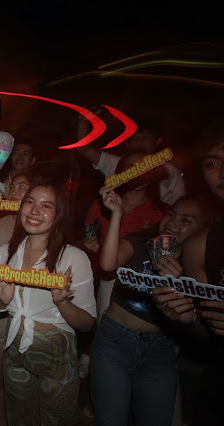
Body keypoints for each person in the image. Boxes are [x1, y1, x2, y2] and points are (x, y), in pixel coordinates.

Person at [90, 187, 215, 425]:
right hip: (114, 341)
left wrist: (179, 285)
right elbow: (107, 264)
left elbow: (201, 321)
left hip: (160, 349)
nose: (173, 222)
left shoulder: (196, 268)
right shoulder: (141, 242)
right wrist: (117, 214)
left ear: (203, 231)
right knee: (110, 419)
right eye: (172, 214)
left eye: (186, 220)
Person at [0, 179, 96, 424]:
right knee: (19, 417)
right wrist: (3, 302)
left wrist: (62, 303)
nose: (35, 211)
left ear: (59, 214)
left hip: (56, 357)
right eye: (30, 202)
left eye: (46, 205)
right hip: (14, 349)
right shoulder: (6, 252)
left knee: (55, 419)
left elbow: (87, 324)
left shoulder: (73, 257)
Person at [151, 119, 224, 425]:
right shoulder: (201, 246)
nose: (223, 173)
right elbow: (206, 331)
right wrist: (186, 317)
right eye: (212, 163)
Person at [0, 171, 34, 426]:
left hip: (32, 316)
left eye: (23, 187)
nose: (15, 192)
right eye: (14, 187)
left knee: (27, 381)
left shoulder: (44, 228)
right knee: (1, 378)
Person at [83, 152, 166, 318]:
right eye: (131, 167)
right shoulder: (101, 204)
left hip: (140, 283)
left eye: (144, 167)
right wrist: (89, 245)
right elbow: (86, 235)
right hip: (108, 277)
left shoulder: (162, 213)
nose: (138, 172)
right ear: (121, 173)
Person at [77, 112, 185, 206]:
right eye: (134, 138)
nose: (139, 142)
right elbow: (84, 149)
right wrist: (83, 123)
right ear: (127, 143)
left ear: (158, 141)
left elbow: (179, 205)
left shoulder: (171, 172)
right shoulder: (116, 163)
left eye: (145, 137)